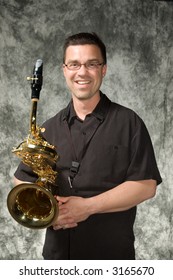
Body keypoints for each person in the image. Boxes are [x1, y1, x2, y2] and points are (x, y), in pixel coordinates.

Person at [14, 32, 162, 260]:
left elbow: (146, 186)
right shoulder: (48, 128)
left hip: (112, 260)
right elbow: (22, 180)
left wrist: (88, 207)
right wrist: (51, 214)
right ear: (64, 70)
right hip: (57, 259)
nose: (82, 72)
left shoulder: (129, 122)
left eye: (91, 64)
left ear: (103, 69)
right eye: (74, 64)